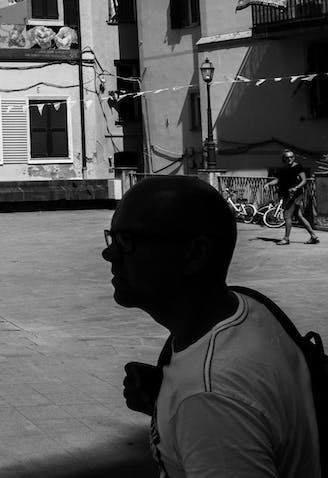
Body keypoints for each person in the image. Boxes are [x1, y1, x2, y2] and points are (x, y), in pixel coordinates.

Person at [103, 176, 320, 477]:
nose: (109, 254)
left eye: (126, 242)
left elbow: (221, 404)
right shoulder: (248, 307)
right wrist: (165, 397)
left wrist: (188, 399)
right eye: (111, 238)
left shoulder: (209, 399)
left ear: (196, 253)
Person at [265, 149, 319, 245]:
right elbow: (277, 180)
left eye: (291, 157)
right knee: (299, 216)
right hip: (287, 195)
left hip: (295, 195)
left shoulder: (298, 167)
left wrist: (296, 187)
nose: (289, 159)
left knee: (286, 215)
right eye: (287, 157)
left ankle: (286, 239)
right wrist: (269, 183)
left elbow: (304, 180)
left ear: (294, 158)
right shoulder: (284, 169)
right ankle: (313, 236)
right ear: (284, 159)